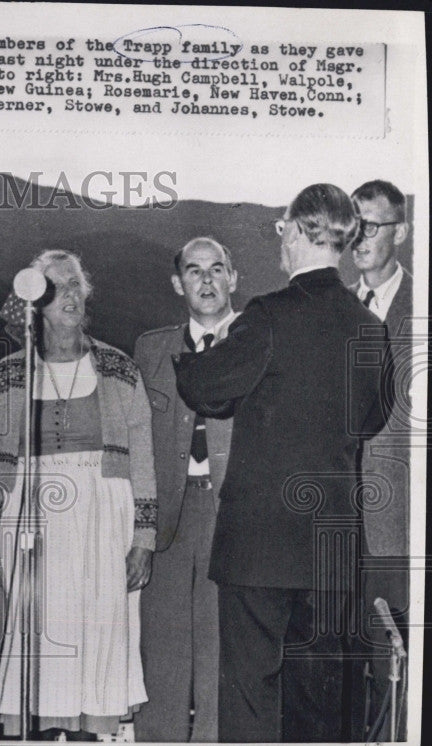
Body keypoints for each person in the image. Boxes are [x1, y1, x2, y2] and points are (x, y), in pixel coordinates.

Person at [174, 184, 389, 742]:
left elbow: (204, 388)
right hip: (332, 546)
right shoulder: (369, 327)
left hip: (259, 548)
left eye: (281, 230)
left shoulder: (268, 314)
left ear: (295, 231)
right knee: (321, 703)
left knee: (250, 698)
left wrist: (216, 341)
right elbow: (371, 421)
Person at [0, 250, 154, 740]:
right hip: (30, 519)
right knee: (37, 639)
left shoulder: (119, 368)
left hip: (104, 517)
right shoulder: (6, 375)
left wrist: (144, 537)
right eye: (57, 286)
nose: (71, 295)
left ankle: (89, 736)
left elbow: (142, 456)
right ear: (34, 301)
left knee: (97, 637)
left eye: (76, 284)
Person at [133, 238, 237, 742]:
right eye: (194, 272)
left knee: (223, 652)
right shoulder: (152, 349)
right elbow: (137, 443)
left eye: (217, 270)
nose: (207, 281)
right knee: (163, 652)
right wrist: (141, 528)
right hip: (168, 520)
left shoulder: (258, 342)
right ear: (179, 284)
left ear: (233, 278)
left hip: (232, 518)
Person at [348, 180, 413, 741]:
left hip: (401, 525)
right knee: (349, 666)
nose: (361, 237)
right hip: (336, 522)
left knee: (400, 665)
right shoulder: (336, 307)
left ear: (402, 232)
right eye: (355, 225)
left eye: (375, 225)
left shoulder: (422, 308)